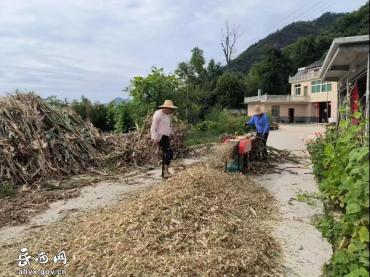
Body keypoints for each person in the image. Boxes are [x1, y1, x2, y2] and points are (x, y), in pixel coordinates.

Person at [150, 100, 178, 178]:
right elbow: (153, 127)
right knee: (167, 153)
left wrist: (171, 133)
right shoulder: (158, 114)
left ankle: (164, 172)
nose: (171, 110)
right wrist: (155, 138)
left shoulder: (167, 115)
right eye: (170, 109)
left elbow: (167, 126)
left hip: (166, 136)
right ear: (165, 108)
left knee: (166, 154)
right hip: (160, 136)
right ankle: (165, 172)